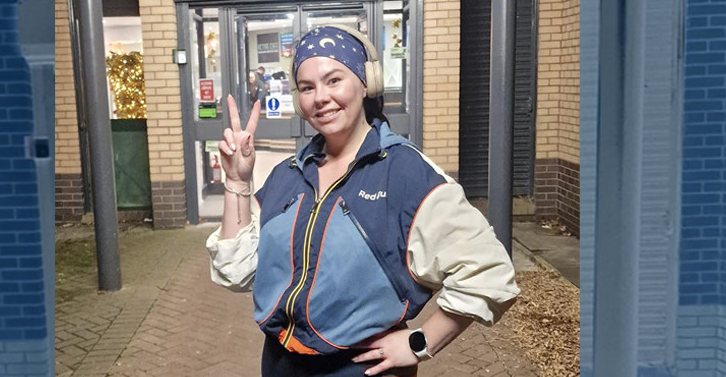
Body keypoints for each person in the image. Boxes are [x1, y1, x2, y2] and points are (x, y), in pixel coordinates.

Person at [207, 25, 519, 377]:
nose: (320, 98)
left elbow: (489, 272)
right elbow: (236, 270)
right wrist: (237, 180)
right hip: (281, 364)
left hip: (362, 369)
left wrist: (420, 342)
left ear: (366, 82)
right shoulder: (289, 175)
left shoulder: (405, 174)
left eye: (334, 80)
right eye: (307, 87)